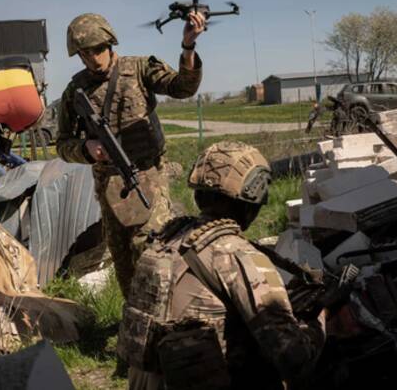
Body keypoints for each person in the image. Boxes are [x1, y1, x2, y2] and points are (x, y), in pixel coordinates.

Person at [117, 141, 326, 390]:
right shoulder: (237, 255)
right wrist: (319, 322)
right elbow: (293, 358)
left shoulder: (164, 240)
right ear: (254, 198)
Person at [56, 12, 205, 297]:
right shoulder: (74, 91)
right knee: (123, 261)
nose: (93, 58)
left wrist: (188, 47)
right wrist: (85, 150)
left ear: (110, 43)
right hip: (108, 185)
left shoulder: (138, 69)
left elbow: (182, 88)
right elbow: (62, 144)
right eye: (85, 53)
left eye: (98, 49)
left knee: (152, 253)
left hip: (148, 175)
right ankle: (136, 320)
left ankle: (166, 320)